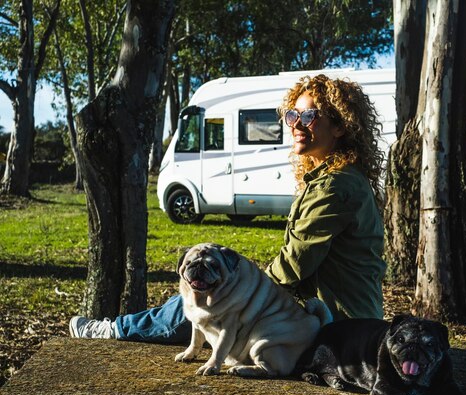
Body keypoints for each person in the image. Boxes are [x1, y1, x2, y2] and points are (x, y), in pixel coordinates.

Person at [69, 73, 387, 342]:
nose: (296, 124)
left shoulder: (336, 185)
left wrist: (240, 289)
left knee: (210, 288)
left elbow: (294, 265)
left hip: (338, 329)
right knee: (217, 271)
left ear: (340, 127)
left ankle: (114, 331)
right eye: (292, 115)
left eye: (308, 116)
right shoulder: (333, 177)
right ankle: (122, 328)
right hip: (333, 317)